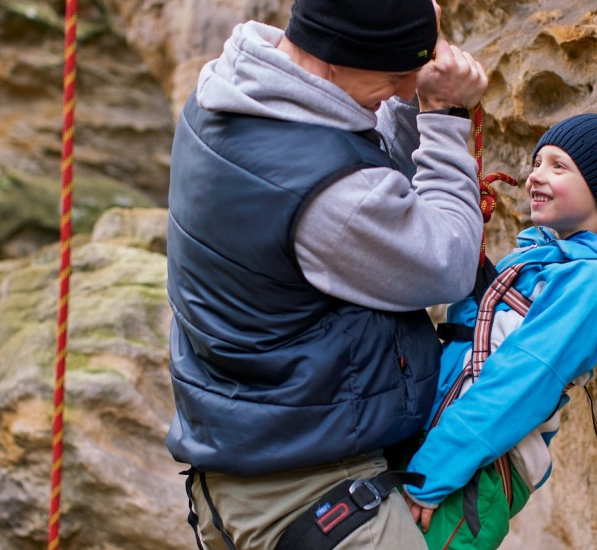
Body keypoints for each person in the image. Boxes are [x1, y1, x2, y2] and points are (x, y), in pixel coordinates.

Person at [163, 0, 489, 547]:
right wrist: (445, 118)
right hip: (312, 490)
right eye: (396, 76)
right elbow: (448, 260)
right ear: (337, 59)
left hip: (247, 470)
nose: (409, 89)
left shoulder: (228, 92)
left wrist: (401, 31)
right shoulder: (326, 194)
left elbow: (351, 146)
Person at [402, 113, 597, 549]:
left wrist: (431, 474)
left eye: (558, 166)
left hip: (472, 469)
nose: (534, 176)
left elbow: (521, 382)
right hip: (439, 447)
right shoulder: (539, 259)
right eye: (536, 163)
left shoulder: (596, 283)